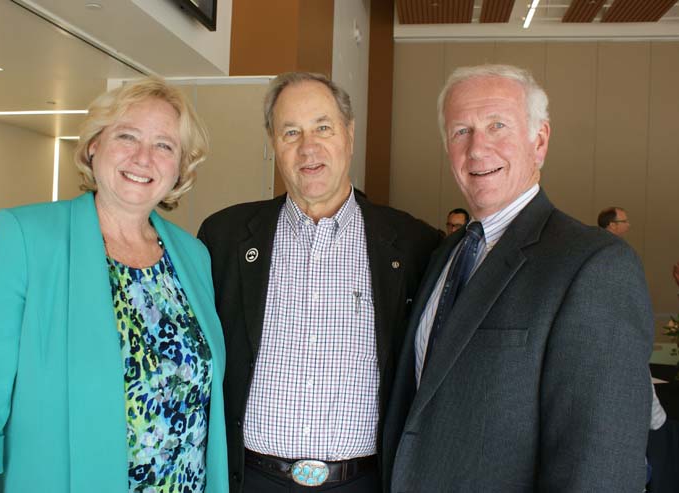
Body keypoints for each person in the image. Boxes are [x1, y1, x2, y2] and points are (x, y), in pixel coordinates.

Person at [0, 78, 228, 493]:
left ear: (181, 166)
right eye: (127, 136)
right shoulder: (26, 237)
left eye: (164, 145)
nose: (143, 157)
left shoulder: (193, 256)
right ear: (94, 144)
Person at [383, 64, 653, 492]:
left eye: (497, 126)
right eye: (460, 131)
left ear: (539, 141)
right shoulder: (447, 254)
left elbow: (600, 462)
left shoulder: (593, 264)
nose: (477, 149)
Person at [198, 72, 442, 492]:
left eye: (322, 127)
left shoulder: (414, 244)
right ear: (273, 143)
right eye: (290, 132)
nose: (308, 148)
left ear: (349, 134)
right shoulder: (224, 237)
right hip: (250, 479)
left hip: (364, 482)